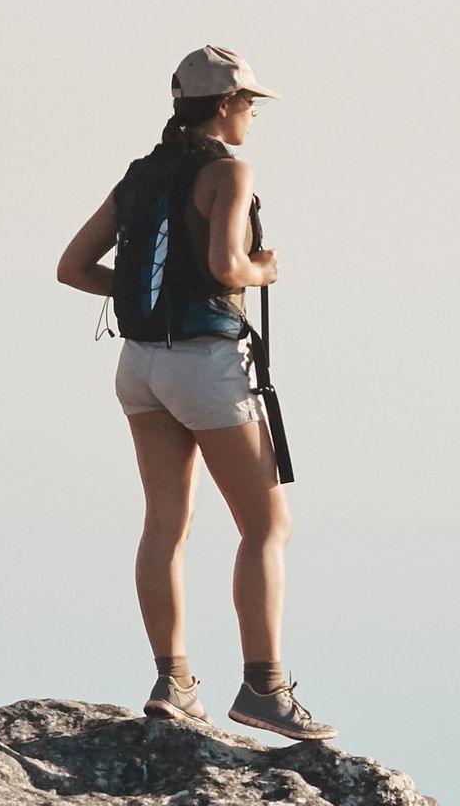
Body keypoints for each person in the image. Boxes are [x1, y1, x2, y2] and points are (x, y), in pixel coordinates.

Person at [56, 43, 320, 735]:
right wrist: (264, 270)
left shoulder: (141, 174)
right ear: (227, 104)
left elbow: (73, 267)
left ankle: (173, 680)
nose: (253, 114)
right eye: (250, 103)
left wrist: (150, 293)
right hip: (205, 364)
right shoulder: (228, 172)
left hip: (140, 364)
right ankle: (264, 687)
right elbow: (227, 266)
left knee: (166, 523)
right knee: (266, 526)